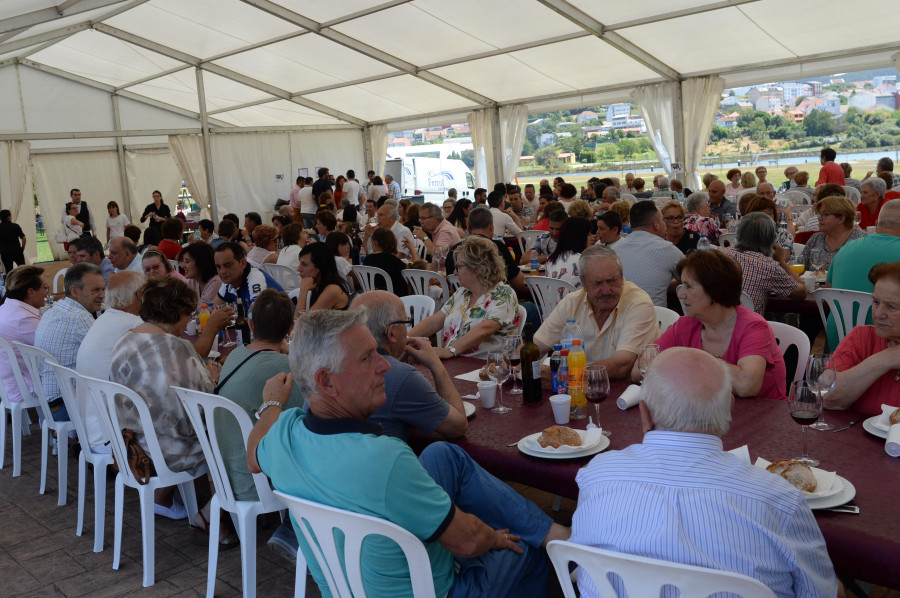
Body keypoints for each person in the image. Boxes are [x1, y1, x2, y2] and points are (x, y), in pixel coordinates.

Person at [247, 308, 568, 598]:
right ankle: (546, 539)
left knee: (444, 454)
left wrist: (273, 404)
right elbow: (468, 541)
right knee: (524, 549)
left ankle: (546, 531)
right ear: (326, 382)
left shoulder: (285, 437)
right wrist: (494, 538)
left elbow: (253, 455)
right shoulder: (385, 459)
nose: (384, 364)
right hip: (433, 590)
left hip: (350, 586)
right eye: (366, 358)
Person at [573, 347, 840, 598]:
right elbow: (821, 593)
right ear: (730, 409)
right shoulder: (780, 500)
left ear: (645, 413)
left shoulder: (596, 476)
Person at [109, 276, 224, 522]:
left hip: (130, 443)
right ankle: (217, 517)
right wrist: (212, 379)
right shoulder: (176, 347)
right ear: (175, 312)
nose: (188, 322)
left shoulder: (124, 339)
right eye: (188, 315)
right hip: (165, 451)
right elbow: (197, 410)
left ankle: (167, 498)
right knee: (226, 432)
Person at [634, 249, 787, 399]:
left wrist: (692, 361)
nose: (680, 294)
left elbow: (747, 385)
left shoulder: (754, 327)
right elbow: (640, 370)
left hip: (762, 418)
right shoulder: (685, 325)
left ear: (715, 291)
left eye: (688, 286)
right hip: (706, 415)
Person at [215, 289, 304, 502]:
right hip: (255, 481)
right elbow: (304, 419)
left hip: (222, 475)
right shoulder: (287, 369)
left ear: (252, 326)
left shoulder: (235, 355)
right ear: (290, 329)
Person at [353, 291, 468, 441]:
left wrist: (395, 360)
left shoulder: (334, 364)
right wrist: (436, 365)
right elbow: (457, 427)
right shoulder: (401, 377)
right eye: (406, 322)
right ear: (392, 333)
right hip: (383, 462)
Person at [533, 245, 657, 379]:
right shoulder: (572, 303)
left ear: (622, 278)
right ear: (583, 283)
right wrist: (515, 366)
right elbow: (536, 347)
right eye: (598, 284)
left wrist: (567, 377)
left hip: (622, 394)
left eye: (612, 281)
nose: (606, 290)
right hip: (579, 392)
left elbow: (623, 364)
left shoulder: (638, 303)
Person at [410, 236, 519, 359]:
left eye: (459, 267)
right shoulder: (463, 293)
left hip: (485, 368)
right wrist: (405, 339)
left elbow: (486, 328)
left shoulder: (503, 293)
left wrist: (451, 350)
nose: (455, 273)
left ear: (477, 268)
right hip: (454, 362)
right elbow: (435, 321)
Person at [75, 271, 146, 450]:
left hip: (89, 430)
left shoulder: (105, 318)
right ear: (139, 294)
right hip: (112, 439)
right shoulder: (134, 324)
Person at [827, 262, 900, 415]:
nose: (878, 314)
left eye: (891, 307)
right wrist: (884, 359)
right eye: (876, 302)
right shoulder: (862, 337)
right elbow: (826, 397)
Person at [34, 263, 104, 422]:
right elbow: (106, 357)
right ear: (74, 291)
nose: (102, 295)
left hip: (49, 400)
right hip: (65, 406)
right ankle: (90, 445)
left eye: (103, 289)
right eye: (95, 290)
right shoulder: (80, 318)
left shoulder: (54, 310)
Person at [825, 200, 900, 348]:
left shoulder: (846, 248)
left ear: (877, 223)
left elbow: (828, 289)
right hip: (885, 344)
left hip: (839, 339)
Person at [719, 212, 806, 314]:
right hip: (748, 326)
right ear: (771, 239)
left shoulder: (719, 254)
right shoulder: (768, 266)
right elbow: (801, 293)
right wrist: (781, 261)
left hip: (712, 323)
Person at [611, 201, 682, 308]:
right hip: (656, 321)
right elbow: (694, 280)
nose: (665, 225)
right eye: (663, 220)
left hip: (617, 320)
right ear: (656, 224)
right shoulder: (667, 249)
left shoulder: (613, 251)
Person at [444, 207, 527, 297]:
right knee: (531, 307)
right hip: (493, 305)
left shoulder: (454, 251)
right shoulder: (497, 247)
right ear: (491, 227)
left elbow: (451, 288)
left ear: (468, 229)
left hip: (460, 306)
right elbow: (518, 284)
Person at [0, 266, 47, 405]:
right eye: (45, 288)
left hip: (9, 383)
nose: (46, 293)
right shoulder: (23, 319)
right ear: (31, 292)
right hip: (25, 386)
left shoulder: (6, 307)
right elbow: (52, 349)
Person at [799, 196, 866, 272]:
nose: (819, 218)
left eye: (824, 214)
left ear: (841, 219)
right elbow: (801, 268)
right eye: (819, 214)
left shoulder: (861, 240)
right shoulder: (816, 238)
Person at [214, 242, 283, 313]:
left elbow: (258, 317)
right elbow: (212, 307)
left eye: (227, 265)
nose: (222, 271)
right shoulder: (229, 280)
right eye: (218, 267)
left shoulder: (256, 278)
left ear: (243, 263)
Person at [296, 242, 350, 313]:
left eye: (304, 264)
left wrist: (303, 290)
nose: (298, 269)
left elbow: (302, 322)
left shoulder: (332, 290)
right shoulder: (317, 283)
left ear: (320, 267)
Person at [546, 217, 590, 289]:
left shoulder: (551, 259)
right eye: (589, 235)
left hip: (551, 300)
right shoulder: (584, 261)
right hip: (575, 300)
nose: (592, 238)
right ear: (581, 237)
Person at [413, 203, 461, 270]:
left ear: (435, 218)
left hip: (445, 274)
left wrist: (424, 237)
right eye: (420, 218)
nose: (420, 222)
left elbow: (438, 254)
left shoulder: (445, 230)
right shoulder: (440, 227)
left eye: (423, 218)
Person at [363, 228, 408, 297]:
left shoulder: (367, 260)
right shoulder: (396, 263)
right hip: (394, 300)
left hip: (371, 299)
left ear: (374, 243)